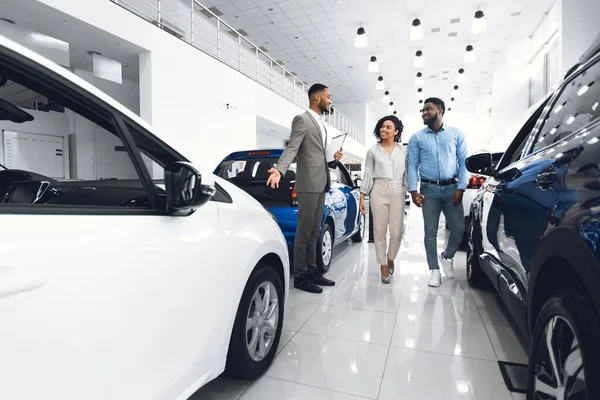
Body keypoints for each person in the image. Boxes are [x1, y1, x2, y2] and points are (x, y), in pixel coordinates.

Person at [266, 83, 343, 294]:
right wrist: (279, 170)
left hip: (321, 182)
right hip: (308, 183)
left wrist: (333, 159)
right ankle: (301, 276)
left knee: (315, 230)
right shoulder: (302, 119)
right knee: (304, 230)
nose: (330, 100)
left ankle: (312, 270)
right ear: (317, 98)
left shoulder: (321, 124)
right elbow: (292, 147)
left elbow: (319, 155)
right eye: (328, 97)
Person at [407, 97, 468, 287]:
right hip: (429, 189)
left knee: (458, 229)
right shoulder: (417, 137)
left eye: (428, 109)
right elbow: (411, 165)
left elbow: (463, 161)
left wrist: (461, 187)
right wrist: (413, 190)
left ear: (440, 111)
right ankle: (433, 270)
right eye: (423, 110)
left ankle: (447, 256)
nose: (424, 113)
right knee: (430, 232)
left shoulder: (456, 134)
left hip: (452, 188)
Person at [359, 115, 408, 283]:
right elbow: (368, 174)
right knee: (379, 232)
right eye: (382, 127)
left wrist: (412, 191)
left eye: (388, 127)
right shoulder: (373, 151)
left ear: (396, 131)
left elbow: (408, 173)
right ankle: (382, 265)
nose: (383, 129)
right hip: (378, 189)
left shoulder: (404, 151)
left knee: (397, 231)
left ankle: (391, 256)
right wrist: (362, 195)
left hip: (398, 190)